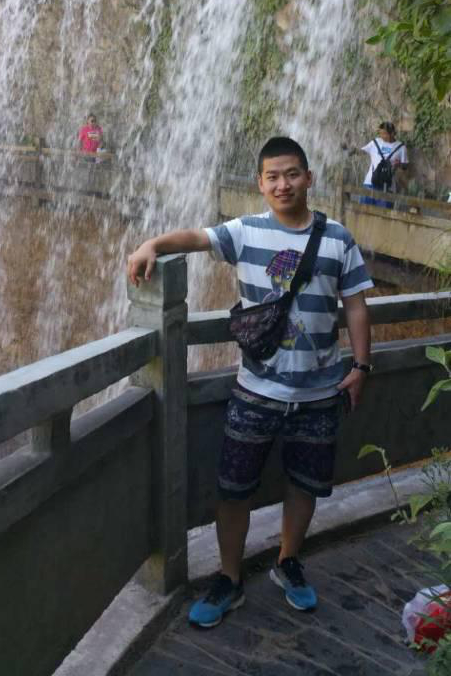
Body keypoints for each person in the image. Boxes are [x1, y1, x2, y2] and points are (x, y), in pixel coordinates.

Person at [127, 136, 373, 627]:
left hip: (320, 390)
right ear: (260, 183)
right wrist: (152, 244)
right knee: (234, 488)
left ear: (308, 178)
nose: (283, 184)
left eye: (292, 174)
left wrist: (362, 367)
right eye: (273, 177)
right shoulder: (245, 231)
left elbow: (356, 306)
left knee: (304, 485)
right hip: (255, 390)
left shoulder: (338, 238)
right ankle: (229, 578)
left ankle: (288, 561)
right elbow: (196, 238)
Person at [361, 121, 408, 209]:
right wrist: (353, 150)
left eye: (384, 133)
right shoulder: (375, 142)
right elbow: (362, 152)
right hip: (369, 183)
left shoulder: (401, 147)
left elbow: (405, 166)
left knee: (383, 214)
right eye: (380, 133)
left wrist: (399, 164)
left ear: (392, 133)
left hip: (387, 186)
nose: (382, 136)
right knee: (364, 210)